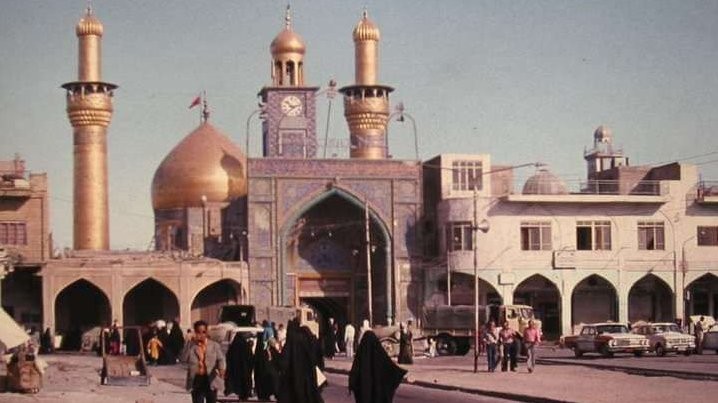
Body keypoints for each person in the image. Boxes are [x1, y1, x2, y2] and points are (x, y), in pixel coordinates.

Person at [349, 330, 407, 403]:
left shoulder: (361, 353)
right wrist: (400, 373)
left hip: (363, 393)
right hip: (377, 394)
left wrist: (352, 385)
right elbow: (389, 367)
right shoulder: (379, 353)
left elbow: (354, 371)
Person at [276, 319, 325, 403]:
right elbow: (317, 356)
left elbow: (284, 362)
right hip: (308, 379)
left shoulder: (291, 340)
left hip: (292, 380)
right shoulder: (306, 338)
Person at [181, 320, 226, 403]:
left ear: (206, 332)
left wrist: (221, 369)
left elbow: (221, 359)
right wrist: (189, 343)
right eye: (198, 332)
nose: (201, 335)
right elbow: (183, 360)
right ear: (195, 332)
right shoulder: (192, 346)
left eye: (203, 332)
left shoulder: (214, 345)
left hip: (210, 379)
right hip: (196, 379)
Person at [225, 332, 254, 400]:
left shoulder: (233, 346)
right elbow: (250, 358)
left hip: (236, 369)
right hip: (245, 369)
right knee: (245, 382)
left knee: (238, 382)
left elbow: (228, 357)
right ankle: (245, 394)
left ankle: (239, 393)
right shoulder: (246, 346)